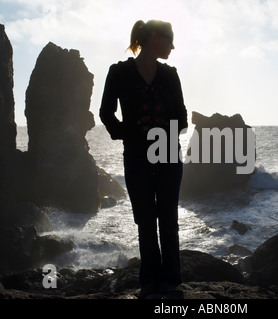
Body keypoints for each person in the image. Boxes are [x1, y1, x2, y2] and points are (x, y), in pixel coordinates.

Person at [99, 20, 188, 298]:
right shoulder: (119, 72)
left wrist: (162, 135)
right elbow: (106, 113)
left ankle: (171, 279)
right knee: (146, 219)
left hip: (168, 153)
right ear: (153, 37)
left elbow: (182, 117)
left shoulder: (170, 75)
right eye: (169, 40)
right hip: (136, 155)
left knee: (168, 217)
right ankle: (149, 280)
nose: (173, 46)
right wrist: (129, 135)